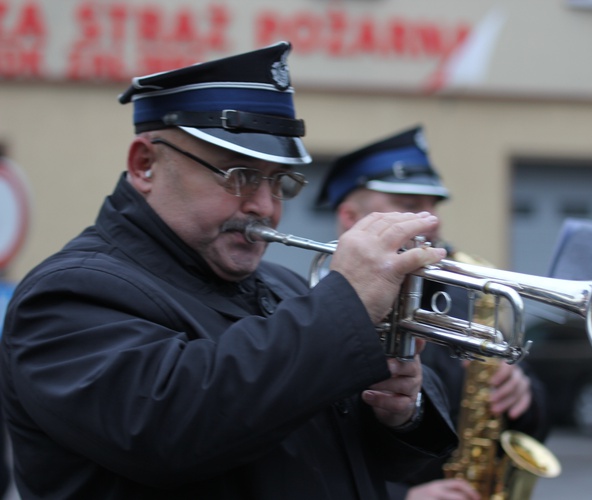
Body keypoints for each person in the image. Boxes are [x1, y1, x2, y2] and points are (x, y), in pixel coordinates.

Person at [0, 42, 460, 499]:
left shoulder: (285, 287)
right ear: (145, 165)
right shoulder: (67, 296)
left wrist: (401, 407)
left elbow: (358, 461)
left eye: (277, 182)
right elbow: (171, 430)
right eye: (238, 174)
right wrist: (345, 307)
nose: (264, 207)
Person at [317, 126, 551, 500]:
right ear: (349, 217)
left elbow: (533, 424)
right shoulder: (314, 311)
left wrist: (523, 395)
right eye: (410, 205)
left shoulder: (467, 299)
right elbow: (308, 458)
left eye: (434, 204)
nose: (433, 220)